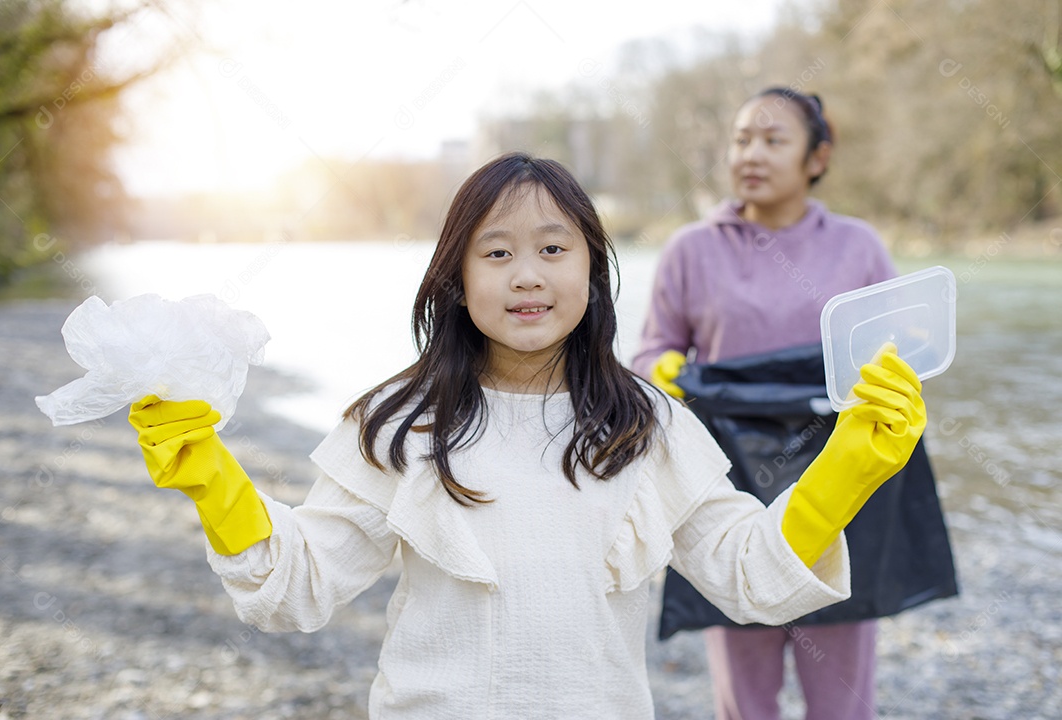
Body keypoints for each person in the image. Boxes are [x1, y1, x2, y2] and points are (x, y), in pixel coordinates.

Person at [127, 152, 926, 719]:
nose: (528, 276)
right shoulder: (398, 424)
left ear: (592, 268)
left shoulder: (648, 424)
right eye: (497, 252)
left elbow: (754, 576)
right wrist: (209, 474)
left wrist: (849, 463)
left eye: (553, 249)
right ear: (456, 278)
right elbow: (293, 587)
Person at [632, 89, 938, 719]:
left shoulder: (858, 246)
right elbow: (651, 352)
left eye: (774, 141)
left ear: (817, 156)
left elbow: (902, 349)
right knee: (743, 690)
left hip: (839, 480)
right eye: (742, 138)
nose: (752, 154)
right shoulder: (691, 249)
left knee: (844, 685)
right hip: (729, 485)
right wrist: (659, 373)